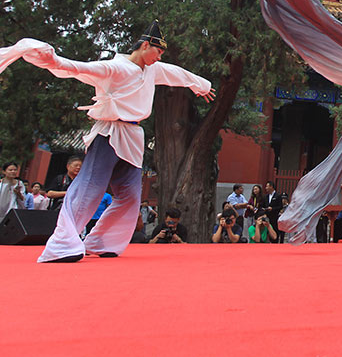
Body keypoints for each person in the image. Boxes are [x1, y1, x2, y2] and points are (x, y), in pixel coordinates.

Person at [0, 21, 215, 262]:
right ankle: (62, 244)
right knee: (90, 188)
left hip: (133, 138)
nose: (160, 57)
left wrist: (201, 85)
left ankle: (101, 241)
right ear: (145, 45)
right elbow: (80, 69)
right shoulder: (115, 67)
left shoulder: (152, 70)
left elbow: (177, 73)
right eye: (159, 51)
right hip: (109, 133)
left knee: (130, 197)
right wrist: (53, 60)